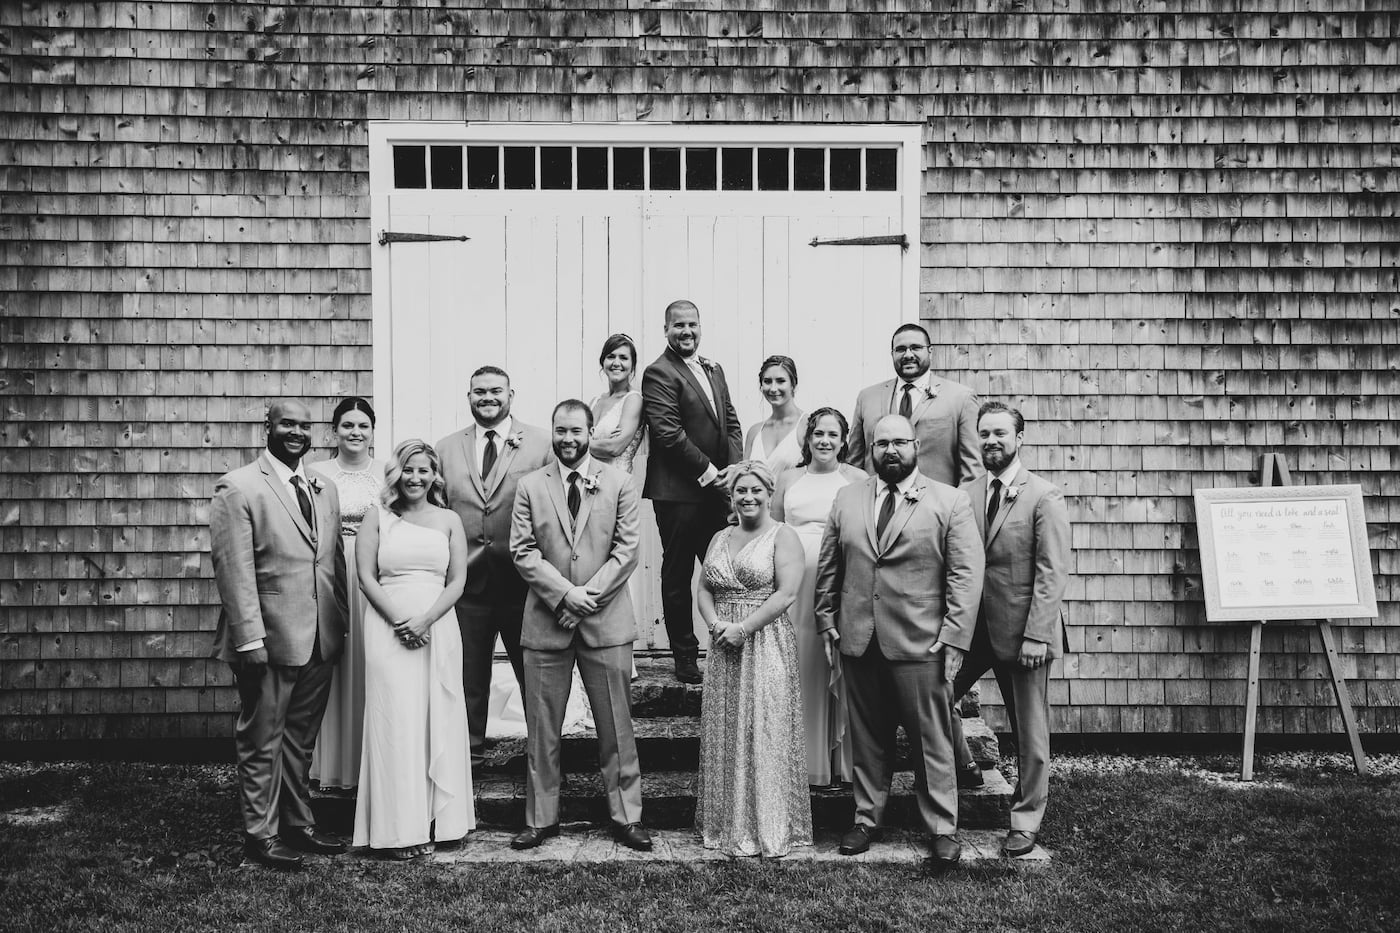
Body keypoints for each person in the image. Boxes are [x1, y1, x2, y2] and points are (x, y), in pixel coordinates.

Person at [815, 414, 984, 866]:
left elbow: (966, 576)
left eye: (899, 442)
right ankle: (867, 817)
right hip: (859, 639)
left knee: (932, 739)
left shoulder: (949, 501)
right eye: (881, 443)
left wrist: (955, 638)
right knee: (868, 738)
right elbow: (831, 564)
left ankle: (942, 826)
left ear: (916, 446)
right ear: (870, 449)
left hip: (922, 642)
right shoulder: (847, 498)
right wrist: (826, 617)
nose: (891, 450)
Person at [209, 398, 349, 871]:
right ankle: (261, 835)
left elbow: (332, 564)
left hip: (320, 638)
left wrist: (340, 622)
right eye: (287, 423)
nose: (297, 432)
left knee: (299, 740)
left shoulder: (323, 486)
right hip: (268, 639)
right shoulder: (240, 487)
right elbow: (234, 569)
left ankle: (297, 823)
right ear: (267, 427)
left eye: (304, 425)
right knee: (262, 739)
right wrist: (248, 639)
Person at [508, 400, 650, 852]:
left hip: (605, 623)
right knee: (542, 727)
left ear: (591, 432)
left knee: (616, 727)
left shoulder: (620, 482)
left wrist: (584, 600)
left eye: (576, 431)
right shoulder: (530, 485)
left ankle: (626, 816)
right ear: (552, 431)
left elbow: (626, 552)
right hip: (547, 622)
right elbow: (523, 551)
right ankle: (540, 818)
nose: (568, 439)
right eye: (560, 430)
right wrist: (563, 595)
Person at [950, 402, 1071, 857]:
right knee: (934, 695)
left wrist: (1039, 634)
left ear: (1020, 438)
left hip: (1023, 633)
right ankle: (966, 766)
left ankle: (1025, 820)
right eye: (984, 434)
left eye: (1001, 433)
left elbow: (1051, 571)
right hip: (970, 628)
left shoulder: (1043, 495)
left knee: (1029, 732)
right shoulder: (965, 492)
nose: (991, 441)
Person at [352, 440, 475, 859]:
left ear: (434, 475)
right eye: (408, 470)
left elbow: (457, 581)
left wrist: (425, 620)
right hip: (387, 629)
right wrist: (400, 621)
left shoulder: (449, 520)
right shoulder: (378, 517)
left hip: (438, 624)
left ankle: (445, 821)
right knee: (396, 722)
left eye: (423, 470)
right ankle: (398, 830)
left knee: (439, 713)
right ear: (396, 474)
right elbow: (366, 577)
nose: (416, 478)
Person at [436, 366, 553, 767]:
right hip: (467, 582)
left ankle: (542, 754)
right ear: (468, 396)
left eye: (496, 391)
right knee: (468, 672)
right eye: (479, 391)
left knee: (532, 673)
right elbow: (437, 512)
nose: (488, 397)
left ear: (511, 394)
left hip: (523, 583)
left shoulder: (540, 444)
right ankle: (468, 752)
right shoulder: (446, 448)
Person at [695, 460, 810, 857]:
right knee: (727, 731)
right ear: (732, 496)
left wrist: (743, 629)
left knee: (765, 728)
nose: (748, 497)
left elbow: (786, 593)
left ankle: (769, 827)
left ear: (769, 494)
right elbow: (704, 590)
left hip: (764, 641)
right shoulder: (719, 537)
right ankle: (727, 824)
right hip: (723, 643)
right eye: (740, 491)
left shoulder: (784, 536)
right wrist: (715, 626)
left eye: (755, 490)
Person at [641, 300, 744, 684]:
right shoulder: (658, 372)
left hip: (717, 491)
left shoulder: (714, 369)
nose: (687, 331)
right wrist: (709, 471)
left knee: (723, 571)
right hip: (678, 494)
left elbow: (731, 421)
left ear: (701, 327)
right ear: (666, 329)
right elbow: (668, 433)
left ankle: (729, 649)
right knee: (679, 573)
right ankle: (684, 656)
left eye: (693, 324)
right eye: (679, 325)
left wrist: (732, 469)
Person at [770, 407, 865, 787]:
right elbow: (774, 529)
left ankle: (839, 757)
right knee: (799, 666)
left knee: (835, 664)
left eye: (832, 434)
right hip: (792, 586)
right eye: (818, 434)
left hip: (838, 582)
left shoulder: (857, 478)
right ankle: (800, 756)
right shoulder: (789, 478)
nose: (824, 441)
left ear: (843, 440)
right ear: (807, 439)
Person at [307, 397, 384, 791]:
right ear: (333, 431)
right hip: (330, 572)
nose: (356, 432)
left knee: (372, 663)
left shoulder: (388, 474)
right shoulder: (315, 473)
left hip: (375, 573)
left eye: (363, 426)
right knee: (332, 666)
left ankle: (371, 764)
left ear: (373, 431)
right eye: (348, 425)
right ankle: (335, 763)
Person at [589, 332, 656, 672]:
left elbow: (617, 446)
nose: (616, 363)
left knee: (617, 562)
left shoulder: (633, 400)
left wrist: (583, 443)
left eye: (624, 358)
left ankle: (618, 656)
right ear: (602, 362)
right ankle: (591, 646)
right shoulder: (595, 401)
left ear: (632, 365)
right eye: (611, 356)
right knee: (592, 562)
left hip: (618, 487)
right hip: (589, 489)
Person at [846, 323, 980, 487]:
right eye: (901, 349)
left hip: (936, 507)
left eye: (916, 347)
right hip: (879, 506)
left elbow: (973, 473)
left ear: (930, 352)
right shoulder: (867, 398)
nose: (908, 354)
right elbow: (853, 465)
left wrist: (957, 509)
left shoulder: (960, 398)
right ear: (892, 354)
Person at [743, 354, 805, 477]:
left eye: (781, 381)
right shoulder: (754, 432)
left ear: (793, 385)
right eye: (767, 381)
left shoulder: (807, 426)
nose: (773, 388)